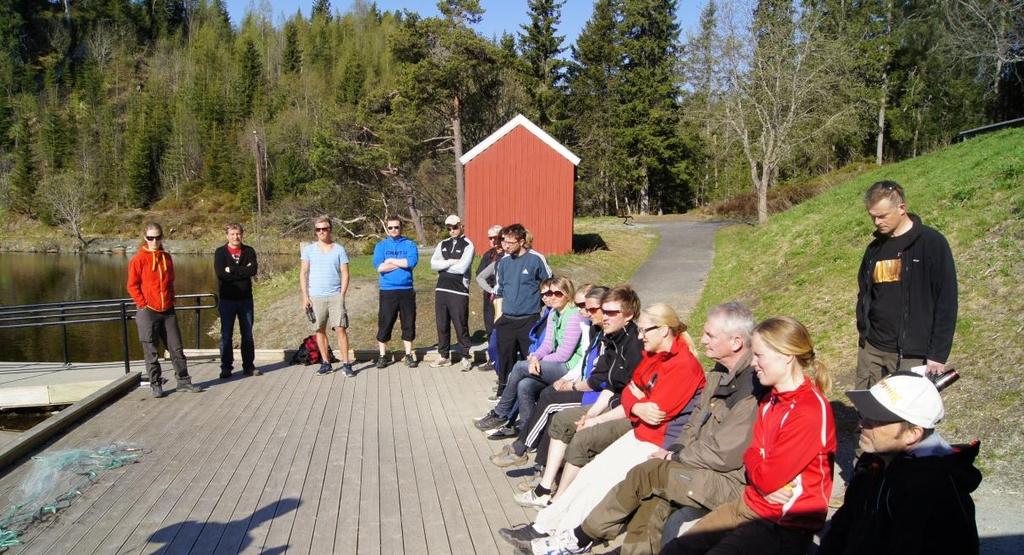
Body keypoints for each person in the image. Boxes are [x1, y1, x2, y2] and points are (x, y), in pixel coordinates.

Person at [510, 302, 763, 555]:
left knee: (609, 480)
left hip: (660, 441)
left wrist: (670, 449)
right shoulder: (710, 371)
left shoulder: (691, 367)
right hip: (655, 438)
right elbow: (633, 395)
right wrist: (637, 407)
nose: (703, 339)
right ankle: (546, 526)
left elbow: (658, 413)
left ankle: (570, 537)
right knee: (591, 472)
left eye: (710, 335)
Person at [661, 316, 836, 555]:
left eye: (759, 355)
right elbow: (752, 455)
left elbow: (765, 475)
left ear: (786, 356)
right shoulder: (769, 400)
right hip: (750, 503)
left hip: (782, 524)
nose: (753, 363)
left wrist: (761, 474)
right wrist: (760, 473)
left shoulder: (808, 411)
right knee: (678, 548)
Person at [818, 372, 981, 555]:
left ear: (913, 433)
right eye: (864, 414)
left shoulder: (936, 491)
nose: (862, 423)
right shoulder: (872, 462)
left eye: (877, 419)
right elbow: (844, 524)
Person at [857, 180, 958, 387]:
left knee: (907, 416)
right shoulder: (874, 249)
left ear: (902, 208)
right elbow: (865, 293)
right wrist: (864, 334)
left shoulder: (932, 243)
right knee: (868, 413)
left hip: (912, 354)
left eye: (882, 216)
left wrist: (937, 354)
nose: (876, 222)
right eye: (872, 217)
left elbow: (946, 301)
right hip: (873, 349)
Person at [474, 276, 586, 434]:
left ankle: (501, 413)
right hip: (555, 364)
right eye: (548, 293)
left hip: (569, 368)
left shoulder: (574, 315)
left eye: (557, 293)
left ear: (567, 294)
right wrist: (535, 357)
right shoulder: (554, 313)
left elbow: (564, 355)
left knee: (519, 367)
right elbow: (547, 344)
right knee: (524, 384)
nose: (551, 297)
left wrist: (538, 362)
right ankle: (529, 430)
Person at [126, 222, 202, 398]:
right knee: (151, 350)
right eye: (150, 238)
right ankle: (156, 384)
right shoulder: (138, 259)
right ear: (145, 238)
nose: (154, 241)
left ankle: (184, 381)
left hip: (167, 310)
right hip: (148, 311)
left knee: (176, 348)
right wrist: (142, 302)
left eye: (158, 237)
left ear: (162, 237)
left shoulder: (166, 257)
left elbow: (170, 281)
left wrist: (171, 298)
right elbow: (132, 285)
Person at [493, 223, 551, 395]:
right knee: (505, 357)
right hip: (507, 319)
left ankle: (530, 391)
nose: (506, 246)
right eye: (504, 241)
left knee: (530, 358)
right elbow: (499, 291)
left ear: (522, 241)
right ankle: (504, 391)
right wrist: (498, 316)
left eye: (510, 242)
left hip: (529, 319)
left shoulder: (536, 259)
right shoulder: (503, 262)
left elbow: (549, 285)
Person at [300, 216, 354, 377]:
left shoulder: (339, 249)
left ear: (330, 229)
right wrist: (305, 296)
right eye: (318, 229)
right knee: (319, 330)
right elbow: (303, 273)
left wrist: (341, 294)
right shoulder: (308, 250)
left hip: (335, 295)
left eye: (325, 228)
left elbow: (345, 273)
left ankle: (346, 363)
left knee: (340, 329)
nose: (322, 232)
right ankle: (325, 363)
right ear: (315, 232)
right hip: (316, 297)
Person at [214, 223, 259, 379]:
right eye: (232, 234)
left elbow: (252, 270)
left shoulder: (249, 251)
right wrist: (242, 272)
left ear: (242, 234)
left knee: (247, 334)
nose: (235, 237)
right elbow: (221, 274)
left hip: (245, 300)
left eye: (238, 234)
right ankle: (226, 367)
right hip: (227, 300)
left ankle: (249, 366)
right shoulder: (220, 253)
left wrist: (232, 270)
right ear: (227, 235)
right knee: (226, 335)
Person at [373, 216, 419, 369]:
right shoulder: (381, 246)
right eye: (390, 227)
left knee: (408, 322)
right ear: (387, 228)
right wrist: (400, 263)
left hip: (406, 290)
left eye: (396, 227)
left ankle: (408, 355)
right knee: (385, 322)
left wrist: (390, 261)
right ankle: (382, 355)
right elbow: (379, 267)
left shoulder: (410, 244)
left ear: (401, 228)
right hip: (387, 291)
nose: (393, 230)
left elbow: (411, 262)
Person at [430, 215, 475, 370]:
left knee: (460, 324)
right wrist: (449, 262)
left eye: (454, 227)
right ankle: (444, 356)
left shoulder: (468, 244)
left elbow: (462, 268)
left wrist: (443, 266)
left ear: (461, 226)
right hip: (441, 289)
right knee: (442, 324)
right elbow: (433, 264)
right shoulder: (443, 244)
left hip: (459, 291)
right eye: (449, 228)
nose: (452, 231)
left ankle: (465, 357)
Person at [476, 224, 505, 344]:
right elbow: (479, 274)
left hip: (503, 294)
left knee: (502, 325)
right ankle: (491, 355)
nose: (493, 240)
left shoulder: (506, 255)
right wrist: (489, 289)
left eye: (495, 237)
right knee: (489, 325)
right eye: (490, 238)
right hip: (489, 293)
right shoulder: (488, 255)